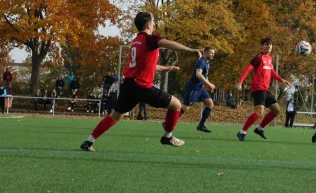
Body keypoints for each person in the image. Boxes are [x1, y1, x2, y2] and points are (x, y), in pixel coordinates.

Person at [80, 12, 200, 151]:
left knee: (115, 115)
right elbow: (167, 43)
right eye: (153, 23)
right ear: (149, 25)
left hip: (129, 85)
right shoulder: (149, 39)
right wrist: (190, 50)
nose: (154, 25)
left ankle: (89, 142)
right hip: (141, 86)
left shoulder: (136, 41)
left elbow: (146, 65)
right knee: (176, 105)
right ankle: (167, 136)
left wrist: (167, 68)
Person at [236, 37, 291, 142]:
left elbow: (271, 72)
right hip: (258, 88)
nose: (269, 46)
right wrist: (240, 82)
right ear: (261, 46)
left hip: (266, 90)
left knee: (276, 110)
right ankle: (242, 132)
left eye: (270, 45)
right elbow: (247, 69)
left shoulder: (269, 58)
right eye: (266, 44)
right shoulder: (258, 58)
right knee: (259, 111)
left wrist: (281, 79)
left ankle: (259, 129)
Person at [179, 47, 216, 132]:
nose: (213, 55)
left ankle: (201, 125)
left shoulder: (207, 62)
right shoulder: (201, 62)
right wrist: (208, 83)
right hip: (193, 88)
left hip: (200, 89)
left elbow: (205, 75)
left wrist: (208, 85)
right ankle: (168, 122)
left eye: (213, 53)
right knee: (185, 107)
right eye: (211, 53)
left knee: (210, 103)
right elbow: (198, 74)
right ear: (206, 53)